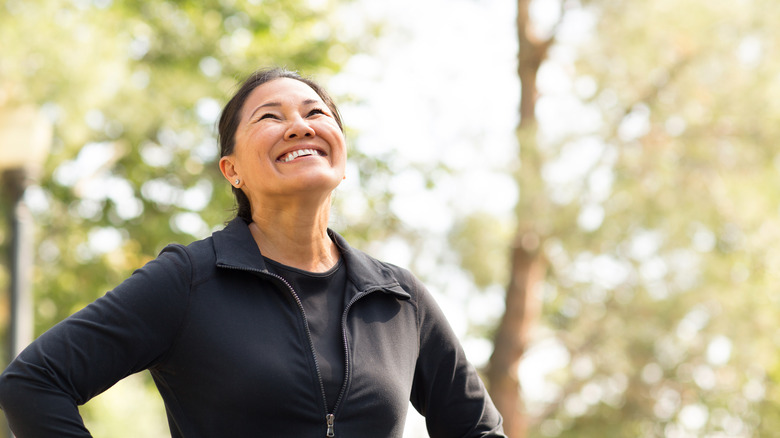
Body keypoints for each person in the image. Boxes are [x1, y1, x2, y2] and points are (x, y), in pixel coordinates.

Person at [0, 67, 506, 437]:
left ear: (341, 156)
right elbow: (33, 382)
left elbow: (477, 431)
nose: (300, 126)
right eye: (270, 117)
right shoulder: (189, 279)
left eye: (316, 113)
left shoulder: (398, 297)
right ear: (232, 170)